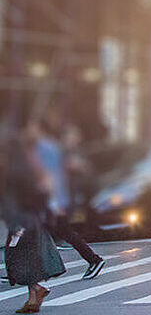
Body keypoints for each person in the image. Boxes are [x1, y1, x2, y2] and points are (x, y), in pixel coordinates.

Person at [32, 114, 103, 280]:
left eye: (32, 127)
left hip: (51, 200)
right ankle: (24, 271)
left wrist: (54, 202)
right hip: (53, 199)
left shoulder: (46, 148)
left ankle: (94, 260)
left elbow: (51, 176)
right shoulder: (49, 148)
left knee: (48, 231)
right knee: (44, 232)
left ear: (38, 129)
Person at [4, 133, 67, 313]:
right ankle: (33, 296)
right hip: (29, 220)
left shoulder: (16, 172)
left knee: (18, 257)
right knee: (25, 258)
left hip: (23, 220)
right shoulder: (26, 169)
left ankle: (36, 292)